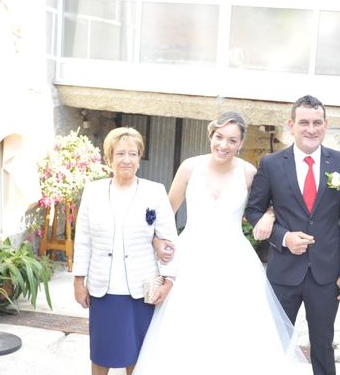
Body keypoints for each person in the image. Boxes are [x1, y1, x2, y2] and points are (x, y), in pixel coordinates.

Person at [132, 112, 309, 374]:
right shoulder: (190, 167)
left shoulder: (249, 172)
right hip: (191, 255)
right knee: (186, 328)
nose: (223, 145)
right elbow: (166, 213)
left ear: (240, 144)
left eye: (232, 140)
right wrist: (158, 241)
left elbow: (272, 205)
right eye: (219, 137)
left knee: (235, 329)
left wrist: (269, 217)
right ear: (211, 135)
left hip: (234, 260)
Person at [245, 95, 340, 375]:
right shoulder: (271, 164)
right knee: (276, 343)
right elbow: (254, 210)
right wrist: (284, 237)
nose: (311, 129)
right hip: (284, 271)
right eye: (304, 122)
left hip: (326, 273)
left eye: (317, 123)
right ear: (291, 125)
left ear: (326, 125)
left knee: (323, 343)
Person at [72, 127, 179, 375]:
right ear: (109, 158)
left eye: (133, 153)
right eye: (120, 153)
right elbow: (84, 240)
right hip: (103, 287)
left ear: (140, 159)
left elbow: (169, 240)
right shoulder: (93, 192)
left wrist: (169, 279)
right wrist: (79, 281)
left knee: (137, 352)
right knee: (101, 351)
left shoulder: (155, 191)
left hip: (141, 288)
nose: (126, 159)